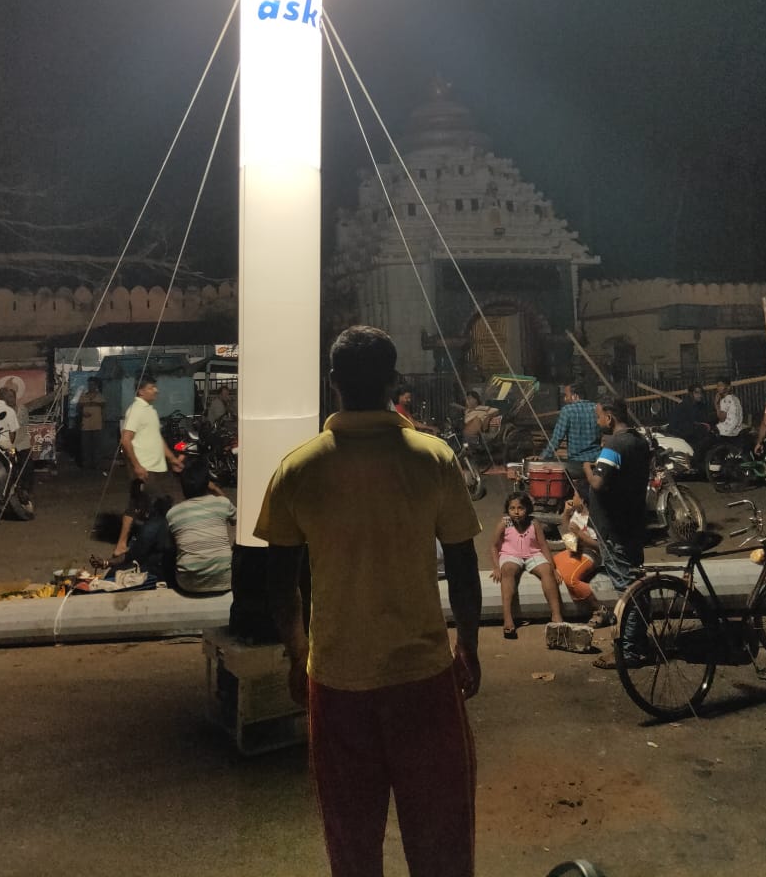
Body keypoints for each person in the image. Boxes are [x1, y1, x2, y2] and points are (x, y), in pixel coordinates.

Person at [256, 325, 481, 877]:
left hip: (336, 680)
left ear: (333, 383)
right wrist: (468, 646)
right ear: (393, 381)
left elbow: (279, 581)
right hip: (422, 676)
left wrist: (296, 652)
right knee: (442, 840)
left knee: (352, 843)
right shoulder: (432, 459)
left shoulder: (298, 468)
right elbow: (461, 566)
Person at [583, 398, 651, 669]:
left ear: (609, 417)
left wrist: (588, 468)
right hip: (633, 524)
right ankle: (640, 642)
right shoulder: (640, 441)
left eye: (599, 416)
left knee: (628, 590)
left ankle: (629, 651)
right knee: (637, 582)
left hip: (615, 529)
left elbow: (599, 483)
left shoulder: (614, 445)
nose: (598, 420)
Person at [114, 373, 184, 558]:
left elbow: (157, 438)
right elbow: (126, 440)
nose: (156, 390)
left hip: (156, 466)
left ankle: (122, 544)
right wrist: (137, 466)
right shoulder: (136, 410)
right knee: (161, 504)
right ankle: (160, 544)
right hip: (144, 467)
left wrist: (172, 458)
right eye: (152, 387)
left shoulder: (150, 410)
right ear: (141, 391)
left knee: (136, 505)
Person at [490, 491, 565, 638]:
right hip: (510, 555)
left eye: (520, 508)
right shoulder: (504, 523)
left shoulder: (533, 523)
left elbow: (543, 545)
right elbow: (493, 546)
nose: (516, 512)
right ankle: (508, 619)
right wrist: (496, 567)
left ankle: (556, 616)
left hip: (533, 554)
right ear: (508, 509)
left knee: (546, 570)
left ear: (527, 509)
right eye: (512, 508)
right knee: (508, 570)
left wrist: (553, 568)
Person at [166, 457, 236, 593]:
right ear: (206, 484)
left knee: (170, 546)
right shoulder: (222, 503)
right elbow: (236, 519)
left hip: (188, 584)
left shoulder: (173, 513)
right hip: (226, 581)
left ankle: (169, 585)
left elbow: (172, 547)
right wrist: (215, 489)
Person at [552, 493, 610, 627]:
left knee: (571, 579)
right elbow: (569, 540)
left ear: (583, 500)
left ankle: (599, 609)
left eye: (575, 496)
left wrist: (580, 535)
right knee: (548, 564)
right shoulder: (577, 514)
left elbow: (600, 547)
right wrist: (566, 515)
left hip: (591, 555)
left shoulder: (595, 518)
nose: (572, 499)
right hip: (574, 550)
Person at [540, 382, 601, 496]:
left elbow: (556, 439)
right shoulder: (597, 408)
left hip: (576, 465)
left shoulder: (568, 410)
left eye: (566, 395)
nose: (564, 398)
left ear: (575, 396)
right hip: (596, 463)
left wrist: (543, 458)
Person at [4, 387, 34, 496]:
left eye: (12, 397)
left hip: (23, 442)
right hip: (11, 445)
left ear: (15, 398)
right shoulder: (4, 411)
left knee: (27, 466)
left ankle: (25, 489)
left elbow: (24, 425)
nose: (11, 399)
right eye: (8, 397)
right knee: (12, 466)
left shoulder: (22, 409)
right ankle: (14, 489)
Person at [666, 384, 713, 448]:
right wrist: (698, 425)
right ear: (691, 394)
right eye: (697, 392)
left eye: (701, 393)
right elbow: (678, 424)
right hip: (682, 435)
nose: (700, 395)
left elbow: (705, 419)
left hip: (694, 433)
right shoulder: (683, 406)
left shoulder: (701, 406)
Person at [77, 377, 106, 469]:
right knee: (86, 447)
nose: (91, 386)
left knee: (97, 447)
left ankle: (96, 465)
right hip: (86, 426)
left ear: (96, 385)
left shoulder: (100, 396)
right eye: (89, 384)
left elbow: (104, 409)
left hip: (97, 425)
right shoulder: (83, 396)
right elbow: (78, 408)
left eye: (93, 384)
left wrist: (103, 422)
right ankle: (87, 464)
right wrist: (83, 413)